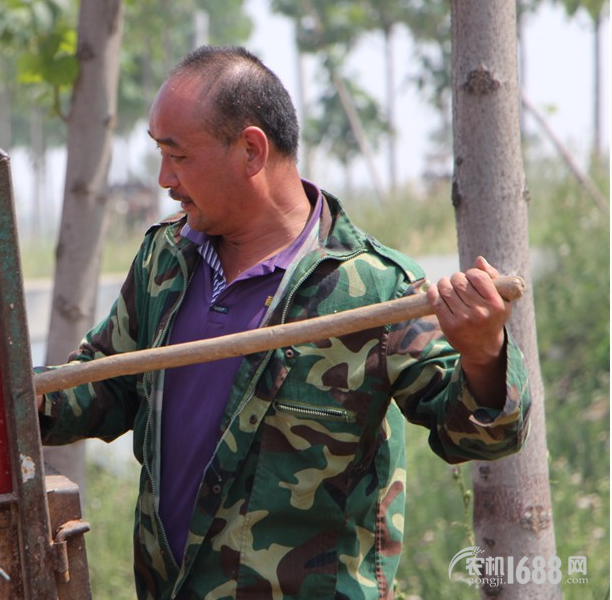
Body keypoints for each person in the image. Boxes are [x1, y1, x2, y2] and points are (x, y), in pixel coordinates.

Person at [35, 45, 530, 600]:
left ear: (250, 150)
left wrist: (483, 352)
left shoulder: (374, 289)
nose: (162, 178)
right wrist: (22, 398)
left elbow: (482, 438)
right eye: (159, 153)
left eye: (177, 156)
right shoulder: (163, 259)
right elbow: (104, 387)